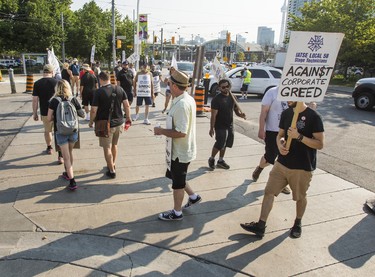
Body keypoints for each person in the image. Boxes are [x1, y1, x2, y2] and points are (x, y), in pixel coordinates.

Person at [240, 101, 325, 239]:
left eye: (291, 96)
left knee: (300, 197)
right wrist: (280, 145)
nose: (287, 100)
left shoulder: (313, 116)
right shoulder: (286, 113)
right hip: (282, 163)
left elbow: (320, 144)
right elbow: (280, 135)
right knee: (269, 192)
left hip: (302, 167)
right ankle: (261, 225)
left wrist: (299, 136)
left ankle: (297, 223)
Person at [154, 69, 201, 221]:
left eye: (169, 83)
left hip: (180, 152)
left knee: (177, 184)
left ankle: (177, 212)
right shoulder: (186, 99)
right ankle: (193, 197)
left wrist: (161, 131)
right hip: (180, 150)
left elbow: (181, 132)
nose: (167, 85)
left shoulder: (181, 105)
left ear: (174, 86)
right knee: (178, 177)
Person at [89, 71, 131, 178]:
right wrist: (128, 118)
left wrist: (91, 121)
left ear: (101, 79)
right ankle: (113, 164)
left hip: (105, 124)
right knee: (114, 145)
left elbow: (93, 110)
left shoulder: (99, 92)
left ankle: (111, 170)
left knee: (106, 147)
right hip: (119, 122)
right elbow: (127, 105)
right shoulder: (119, 89)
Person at [252, 87, 291, 194]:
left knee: (285, 159)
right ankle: (260, 168)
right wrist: (261, 129)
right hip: (273, 131)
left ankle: (280, 184)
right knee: (269, 158)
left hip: (289, 132)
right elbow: (264, 111)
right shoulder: (272, 92)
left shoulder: (295, 93)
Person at [47, 80, 85, 191]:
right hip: (73, 131)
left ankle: (72, 181)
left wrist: (58, 119)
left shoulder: (54, 101)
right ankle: (68, 172)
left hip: (61, 131)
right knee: (70, 153)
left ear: (57, 88)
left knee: (66, 157)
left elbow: (49, 118)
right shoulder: (72, 99)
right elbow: (82, 114)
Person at [208, 79, 246, 170]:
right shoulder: (216, 99)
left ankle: (220, 161)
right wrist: (211, 128)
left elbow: (236, 112)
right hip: (220, 125)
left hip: (229, 124)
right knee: (220, 143)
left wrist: (241, 115)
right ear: (219, 88)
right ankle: (211, 158)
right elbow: (213, 115)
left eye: (227, 86)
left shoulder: (233, 97)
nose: (226, 89)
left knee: (226, 143)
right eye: (223, 87)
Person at [32, 64, 62, 162]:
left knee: (47, 131)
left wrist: (35, 113)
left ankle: (49, 147)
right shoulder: (58, 82)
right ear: (52, 72)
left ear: (43, 72)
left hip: (45, 111)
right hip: (58, 111)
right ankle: (60, 155)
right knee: (59, 132)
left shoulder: (37, 84)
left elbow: (35, 100)